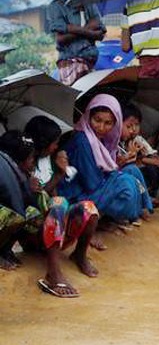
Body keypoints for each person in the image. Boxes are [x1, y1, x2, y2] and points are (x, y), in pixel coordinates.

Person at [3, 124, 102, 297]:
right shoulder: (10, 177)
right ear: (19, 160)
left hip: (52, 230)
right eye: (30, 158)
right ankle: (53, 273)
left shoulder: (35, 172)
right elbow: (18, 211)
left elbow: (51, 198)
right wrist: (29, 189)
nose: (33, 161)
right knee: (58, 202)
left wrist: (50, 181)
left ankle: (79, 255)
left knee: (89, 208)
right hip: (33, 236)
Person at [59, 95, 152, 224]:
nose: (101, 127)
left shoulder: (100, 139)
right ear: (89, 116)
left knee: (132, 170)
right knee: (126, 183)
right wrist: (115, 175)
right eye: (97, 120)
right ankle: (99, 219)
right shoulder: (82, 141)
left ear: (115, 123)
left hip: (94, 186)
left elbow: (105, 170)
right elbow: (92, 182)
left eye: (108, 123)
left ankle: (142, 208)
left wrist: (118, 165)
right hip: (78, 195)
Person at [46, 0, 106, 85]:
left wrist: (72, 29)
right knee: (76, 98)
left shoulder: (89, 4)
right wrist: (89, 31)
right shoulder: (58, 6)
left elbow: (101, 32)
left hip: (90, 61)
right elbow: (60, 38)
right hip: (70, 64)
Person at [119, 104, 159, 204]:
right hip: (126, 176)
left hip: (143, 174)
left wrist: (141, 158)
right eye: (128, 126)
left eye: (137, 125)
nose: (133, 130)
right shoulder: (115, 143)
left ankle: (151, 193)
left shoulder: (139, 140)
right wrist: (129, 155)